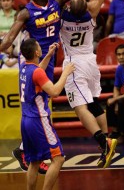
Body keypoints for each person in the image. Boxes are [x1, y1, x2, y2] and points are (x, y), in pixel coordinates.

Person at [1, 0, 101, 173]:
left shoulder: (56, 2)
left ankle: (24, 150)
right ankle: (30, 152)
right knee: (36, 107)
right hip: (32, 62)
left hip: (49, 59)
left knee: (41, 106)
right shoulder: (26, 14)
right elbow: (8, 40)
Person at [59, 0, 117, 169]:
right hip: (91, 63)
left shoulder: (61, 16)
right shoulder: (92, 10)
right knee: (93, 103)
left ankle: (104, 141)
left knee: (79, 108)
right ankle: (108, 141)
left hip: (74, 64)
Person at [19, 38, 75, 190]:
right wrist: (66, 73)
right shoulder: (36, 72)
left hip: (25, 120)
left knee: (34, 162)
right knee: (58, 159)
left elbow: (38, 71)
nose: (40, 46)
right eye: (39, 46)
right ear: (37, 52)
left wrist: (49, 55)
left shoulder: (24, 67)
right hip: (39, 120)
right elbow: (55, 92)